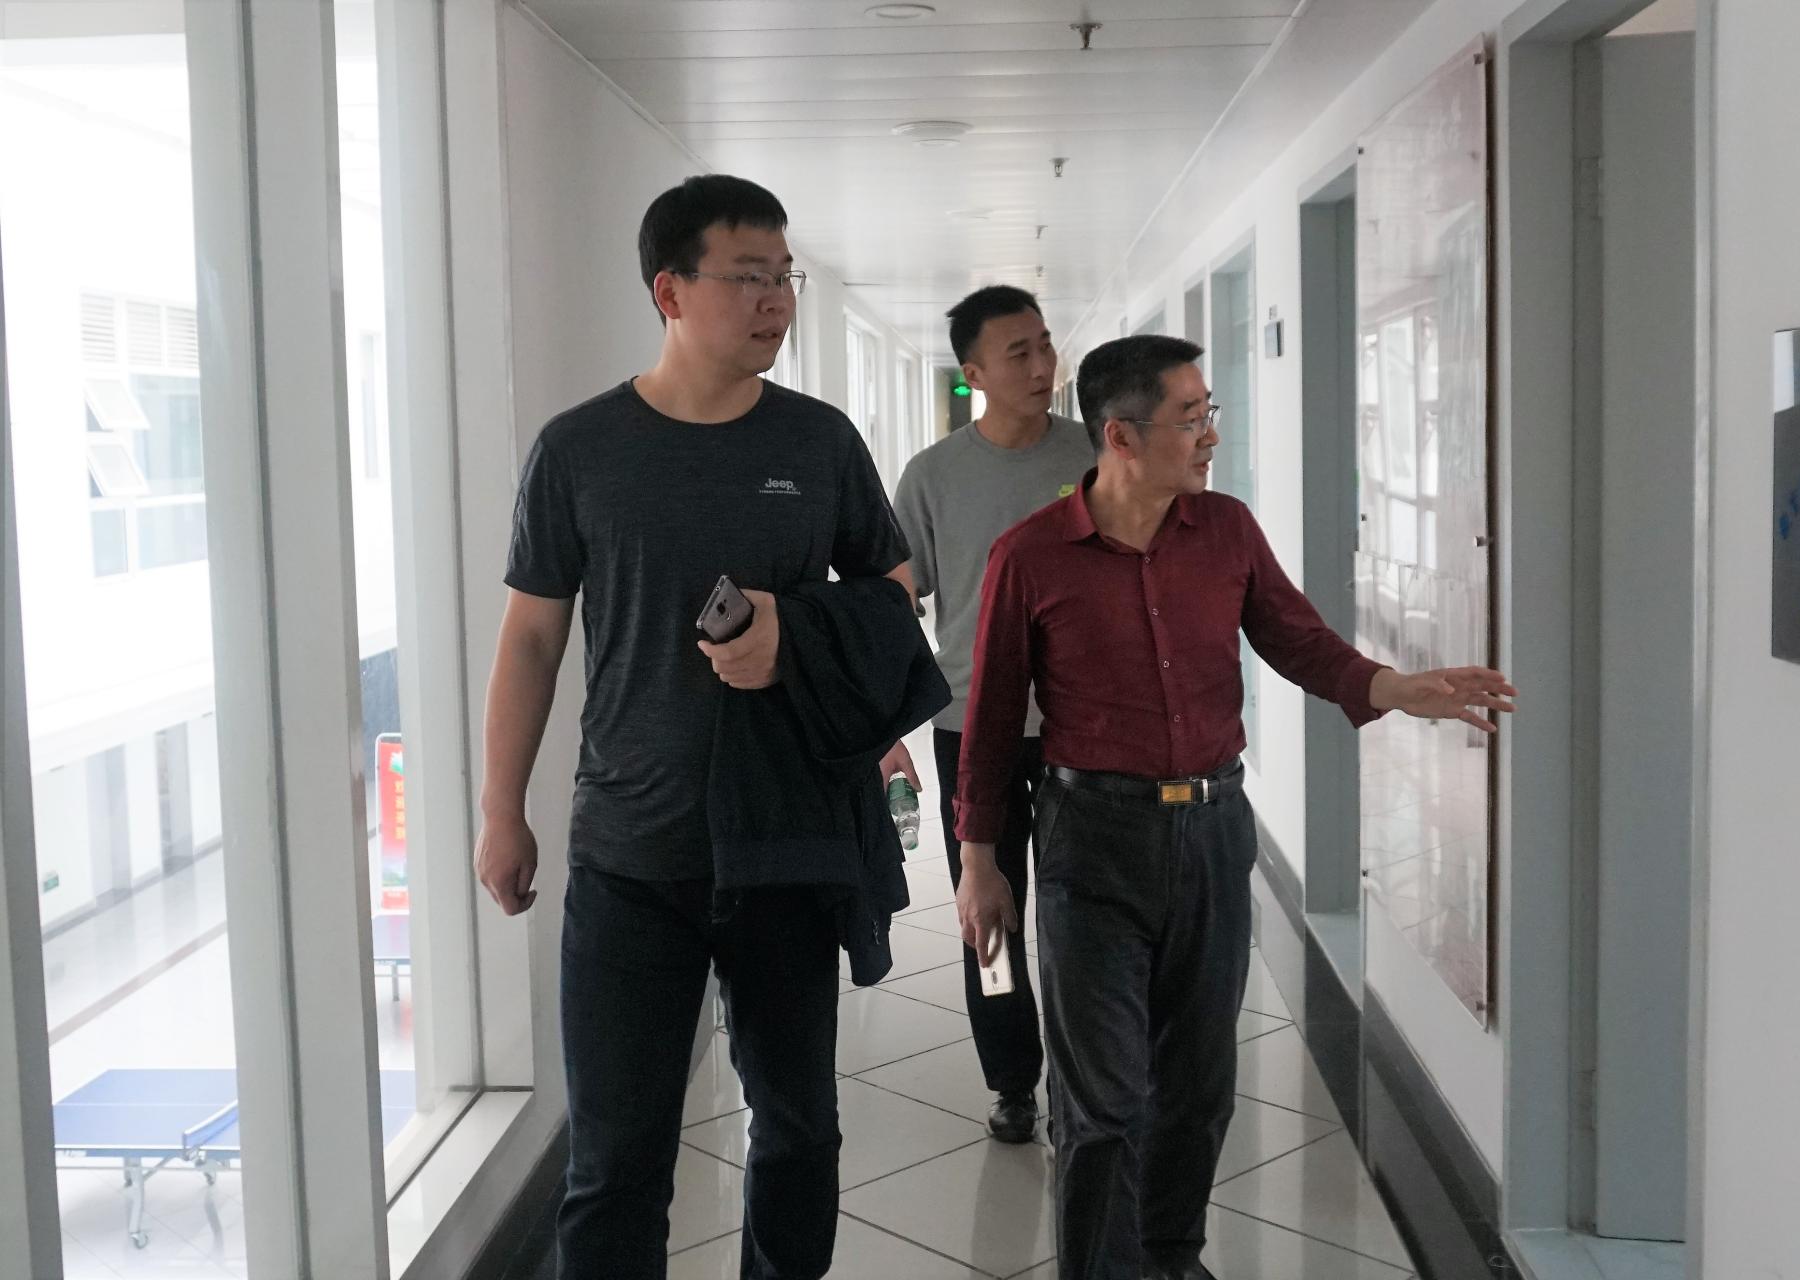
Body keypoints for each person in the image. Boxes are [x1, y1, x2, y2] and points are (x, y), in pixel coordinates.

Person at [951, 335, 1516, 1280]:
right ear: (1120, 436)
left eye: (1209, 412)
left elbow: (1299, 641)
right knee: (1103, 1102)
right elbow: (994, 715)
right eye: (1192, 418)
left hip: (1212, 831)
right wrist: (979, 862)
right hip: (1092, 840)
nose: (1211, 434)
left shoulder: (1227, 531)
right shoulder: (1032, 557)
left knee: (1199, 1085)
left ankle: (1170, 1259)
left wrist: (1394, 687)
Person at [472, 174, 920, 1280]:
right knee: (616, 1159)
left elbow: (895, 587)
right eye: (748, 276)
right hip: (632, 850)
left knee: (799, 1129)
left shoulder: (818, 441)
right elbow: (531, 639)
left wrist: (791, 631)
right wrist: (501, 808)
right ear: (669, 290)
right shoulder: (579, 448)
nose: (776, 300)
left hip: (785, 839)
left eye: (785, 278)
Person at [889, 285, 1094, 1142]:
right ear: (973, 375)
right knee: (992, 913)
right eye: (1020, 353)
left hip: (1087, 727)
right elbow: (897, 595)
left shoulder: (1096, 454)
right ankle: (1011, 1079)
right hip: (973, 728)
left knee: (1086, 916)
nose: (1043, 365)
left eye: (1046, 345)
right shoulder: (934, 476)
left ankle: (1090, 1081)